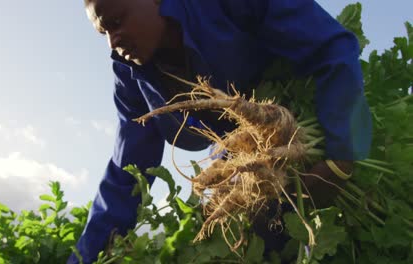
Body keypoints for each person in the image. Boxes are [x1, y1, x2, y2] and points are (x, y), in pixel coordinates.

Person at [68, 0, 372, 263]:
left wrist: (339, 160)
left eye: (117, 22)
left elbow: (330, 47)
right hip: (244, 155)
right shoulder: (130, 75)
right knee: (246, 234)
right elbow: (127, 173)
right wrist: (84, 257)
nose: (112, 43)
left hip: (310, 117)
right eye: (103, 32)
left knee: (360, 225)